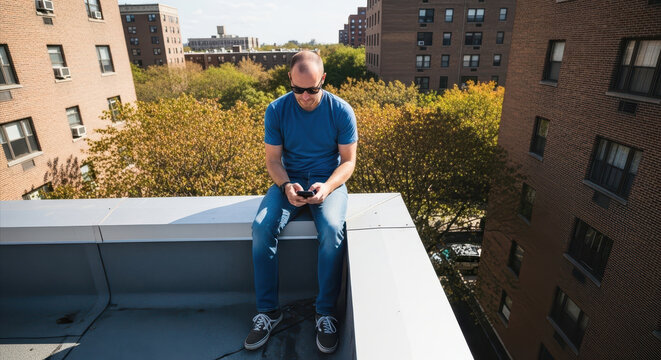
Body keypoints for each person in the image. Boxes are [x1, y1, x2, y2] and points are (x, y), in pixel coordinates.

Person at [243, 50, 358, 354]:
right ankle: (268, 312)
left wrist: (329, 186)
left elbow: (348, 162)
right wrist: (284, 185)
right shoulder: (276, 109)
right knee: (261, 229)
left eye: (312, 89)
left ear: (323, 80)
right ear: (289, 81)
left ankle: (325, 313)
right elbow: (272, 160)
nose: (305, 96)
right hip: (288, 179)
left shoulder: (341, 110)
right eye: (298, 89)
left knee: (333, 229)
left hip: (328, 180)